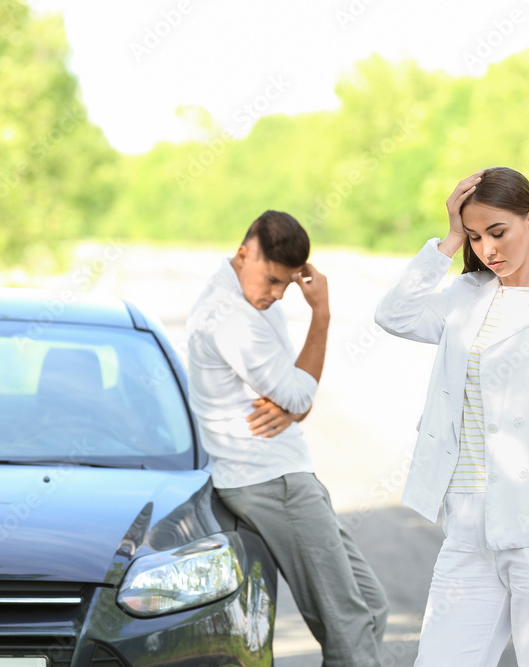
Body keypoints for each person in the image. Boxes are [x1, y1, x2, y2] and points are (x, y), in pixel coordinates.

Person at [374, 167, 529, 666]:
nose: (488, 249)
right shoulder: (467, 295)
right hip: (467, 527)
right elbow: (394, 315)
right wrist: (450, 238)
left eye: (497, 232)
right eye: (477, 237)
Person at [186, 210, 389, 667]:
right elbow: (299, 393)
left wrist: (297, 399)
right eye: (273, 280)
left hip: (287, 477)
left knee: (371, 608)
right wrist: (322, 313)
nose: (277, 295)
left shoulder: (251, 301)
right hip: (271, 482)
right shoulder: (230, 317)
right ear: (244, 255)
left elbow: (301, 399)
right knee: (349, 627)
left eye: (286, 285)